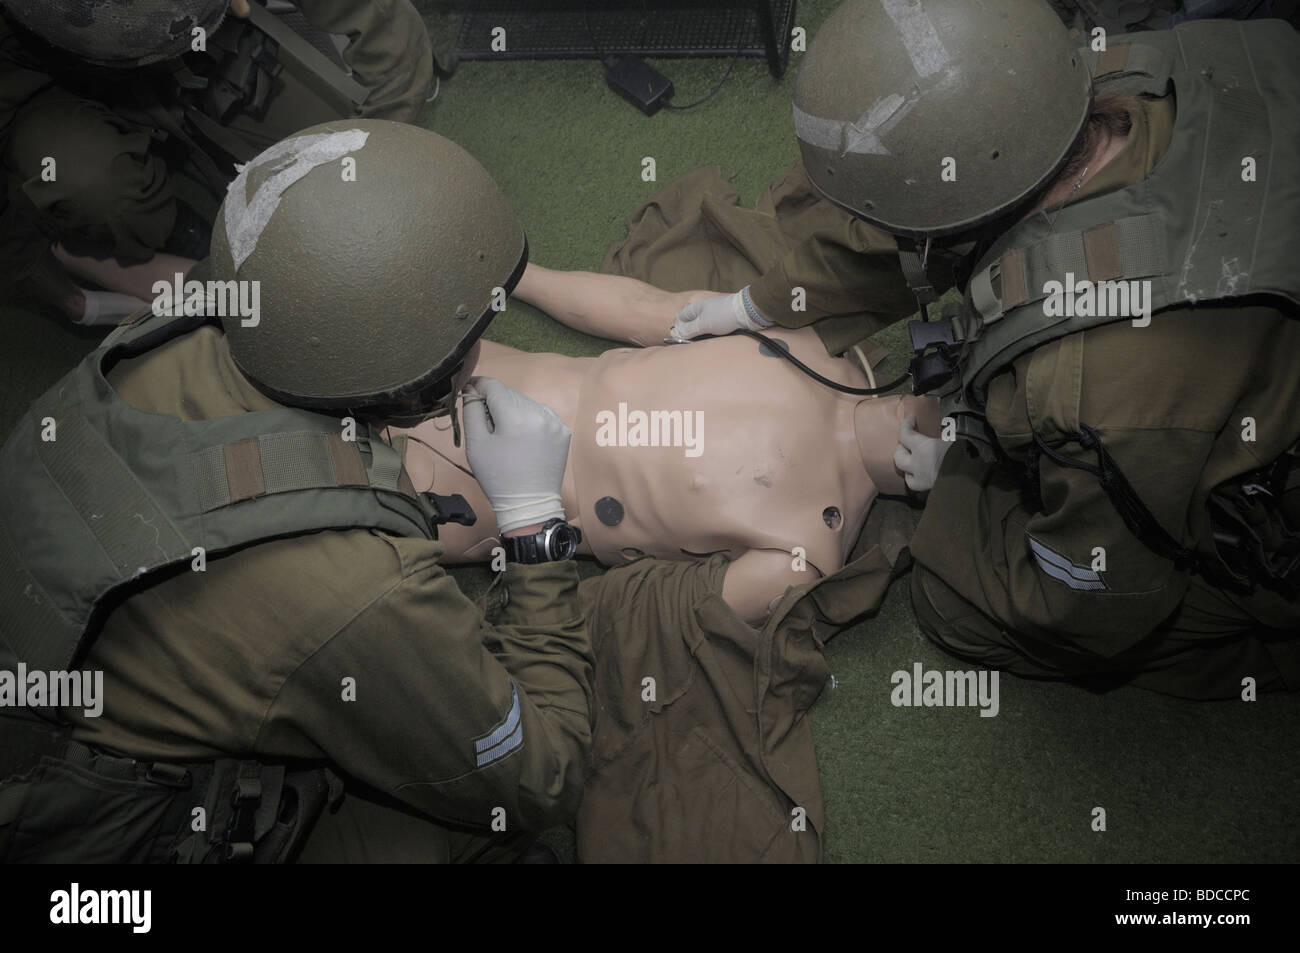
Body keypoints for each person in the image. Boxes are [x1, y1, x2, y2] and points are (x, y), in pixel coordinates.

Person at [668, 0, 1300, 698]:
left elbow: (1092, 598)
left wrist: (959, 485)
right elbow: (910, 232)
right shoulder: (1091, 73)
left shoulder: (1088, 384)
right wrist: (752, 304)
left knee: (954, 603)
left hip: (1223, 439)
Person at [0, 120, 593, 863]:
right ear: (430, 375)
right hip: (95, 848)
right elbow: (545, 774)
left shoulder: (173, 337)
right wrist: (534, 528)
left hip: (53, 677)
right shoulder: (357, 590)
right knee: (476, 833)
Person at [392, 263, 940, 624]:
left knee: (339, 501)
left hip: (487, 500)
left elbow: (656, 612)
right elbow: (641, 309)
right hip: (490, 373)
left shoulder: (803, 553)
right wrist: (513, 274)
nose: (943, 416)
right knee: (346, 360)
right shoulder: (806, 338)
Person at [0, 0, 433, 324]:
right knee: (93, 186)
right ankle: (157, 224)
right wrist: (50, 278)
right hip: (45, 94)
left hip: (202, 52)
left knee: (329, 172)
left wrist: (374, 154)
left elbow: (383, 21)